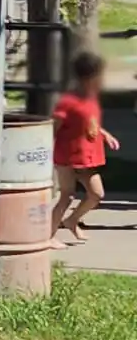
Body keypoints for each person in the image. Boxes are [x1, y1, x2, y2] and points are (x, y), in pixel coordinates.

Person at [50, 51, 121, 249]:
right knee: (67, 195)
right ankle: (48, 235)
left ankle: (72, 220)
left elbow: (90, 122)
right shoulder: (69, 101)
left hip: (87, 156)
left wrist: (105, 134)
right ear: (89, 76)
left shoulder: (89, 97)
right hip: (67, 156)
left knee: (96, 194)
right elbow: (54, 125)